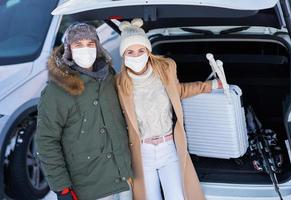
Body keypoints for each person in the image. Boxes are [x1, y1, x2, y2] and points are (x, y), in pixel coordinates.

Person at [116, 18, 222, 200]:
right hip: (143, 153)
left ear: (148, 51)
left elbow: (179, 91)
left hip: (169, 147)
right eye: (130, 52)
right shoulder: (118, 83)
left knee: (179, 197)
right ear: (123, 55)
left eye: (141, 50)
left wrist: (210, 86)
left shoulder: (165, 69)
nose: (136, 56)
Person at [35, 23, 133, 200]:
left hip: (123, 177)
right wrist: (62, 188)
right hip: (90, 186)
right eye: (78, 45)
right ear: (68, 50)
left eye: (90, 44)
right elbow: (46, 141)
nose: (85, 50)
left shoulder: (108, 76)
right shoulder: (57, 91)